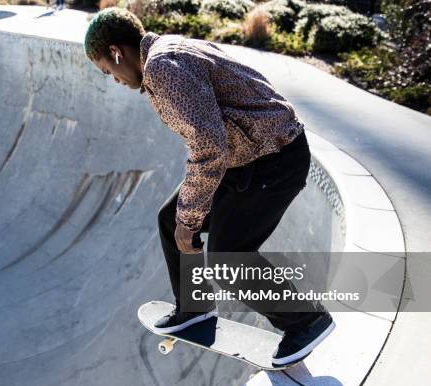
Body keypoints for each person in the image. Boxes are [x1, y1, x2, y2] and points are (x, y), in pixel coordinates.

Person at [83, 7, 335, 366]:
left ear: (116, 52)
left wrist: (192, 217)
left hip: (273, 159)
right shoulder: (166, 52)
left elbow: (209, 146)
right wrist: (185, 217)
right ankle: (194, 307)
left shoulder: (163, 68)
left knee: (227, 256)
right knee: (171, 222)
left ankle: (307, 321)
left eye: (108, 71)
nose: (115, 80)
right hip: (246, 155)